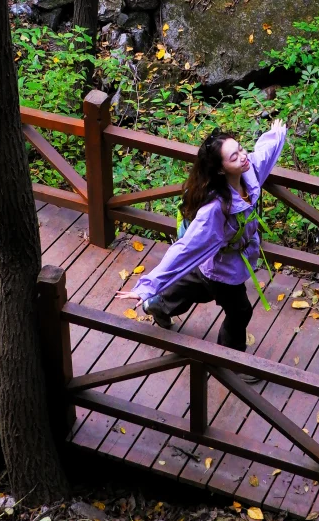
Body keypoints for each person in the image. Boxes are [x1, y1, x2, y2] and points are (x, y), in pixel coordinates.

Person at [114, 119, 287, 353]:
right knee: (240, 311)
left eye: (240, 149)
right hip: (222, 268)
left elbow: (264, 155)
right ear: (221, 169)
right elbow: (185, 249)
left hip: (220, 262)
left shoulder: (250, 173)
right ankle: (228, 358)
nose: (243, 156)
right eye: (234, 157)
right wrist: (146, 286)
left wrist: (276, 133)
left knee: (199, 291)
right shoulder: (215, 209)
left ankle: (158, 305)